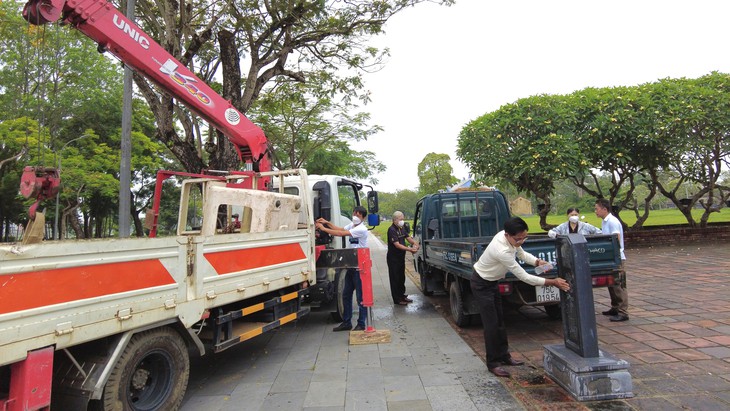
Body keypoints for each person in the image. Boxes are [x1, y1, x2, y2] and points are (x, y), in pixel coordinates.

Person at [471, 217, 571, 378]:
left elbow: (522, 253)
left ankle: (504, 356)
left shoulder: (512, 240)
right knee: (491, 325)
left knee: (500, 322)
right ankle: (493, 363)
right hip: (481, 284)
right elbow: (524, 276)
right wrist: (553, 282)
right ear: (507, 235)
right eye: (518, 238)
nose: (521, 241)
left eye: (525, 237)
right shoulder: (501, 250)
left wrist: (538, 262)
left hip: (493, 282)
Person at [316, 206, 369, 332]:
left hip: (360, 267)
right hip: (351, 265)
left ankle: (361, 323)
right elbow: (339, 229)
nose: (356, 216)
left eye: (359, 215)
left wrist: (323, 228)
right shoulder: (353, 225)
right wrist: (327, 223)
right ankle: (347, 322)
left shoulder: (361, 229)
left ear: (363, 217)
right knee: (346, 295)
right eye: (354, 213)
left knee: (361, 298)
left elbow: (340, 234)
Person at [594, 198, 629, 322]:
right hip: (610, 258)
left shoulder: (612, 222)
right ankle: (615, 307)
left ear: (604, 209)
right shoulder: (605, 221)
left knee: (619, 285)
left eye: (597, 209)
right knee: (612, 284)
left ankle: (623, 312)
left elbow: (616, 239)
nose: (595, 211)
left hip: (616, 257)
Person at [387, 211, 419, 305]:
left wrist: (415, 243)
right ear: (395, 220)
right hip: (393, 258)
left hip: (401, 257)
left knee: (401, 277)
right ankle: (397, 299)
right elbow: (397, 245)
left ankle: (402, 295)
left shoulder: (402, 227)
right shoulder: (392, 230)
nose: (402, 221)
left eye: (403, 219)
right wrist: (409, 249)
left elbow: (408, 237)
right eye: (401, 219)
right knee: (395, 278)